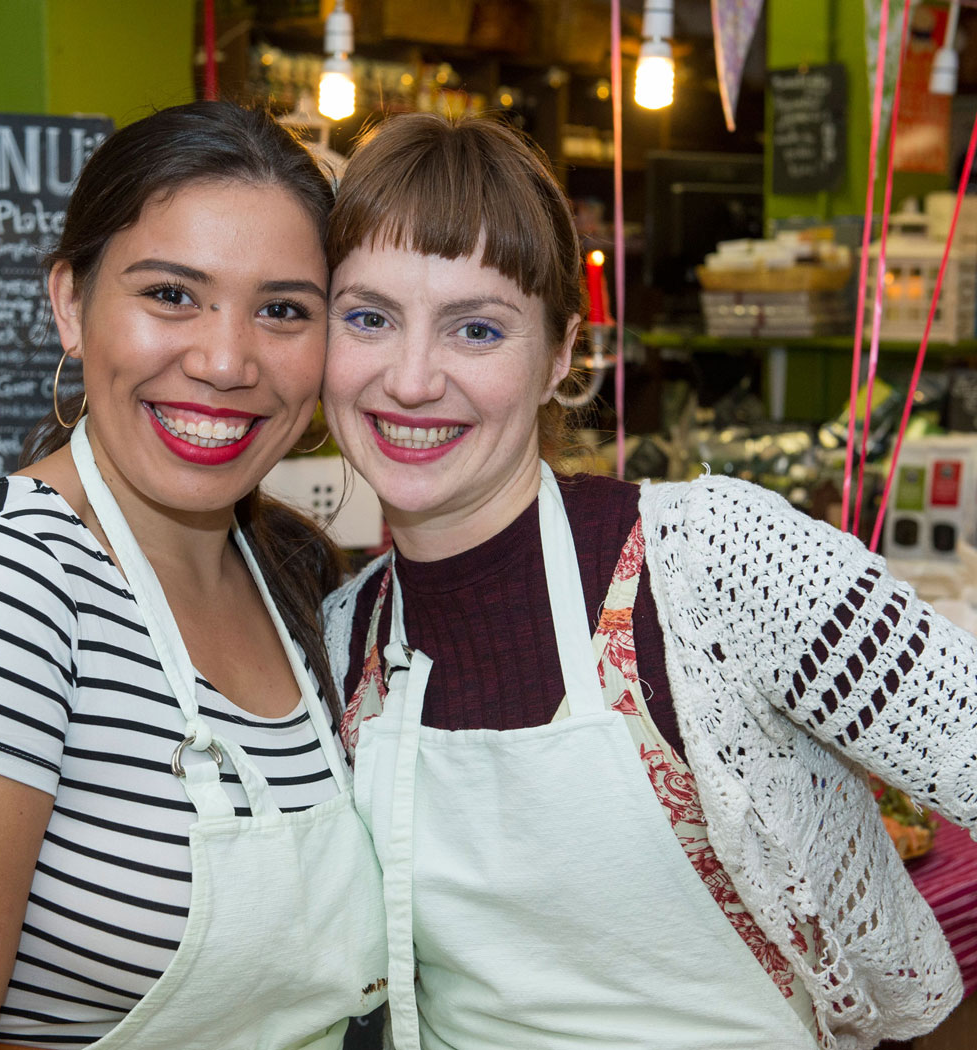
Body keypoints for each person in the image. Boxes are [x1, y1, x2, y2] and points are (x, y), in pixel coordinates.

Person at [320, 112, 977, 1050]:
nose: (413, 377)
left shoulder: (712, 565)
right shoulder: (343, 640)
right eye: (370, 317)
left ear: (559, 357)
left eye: (477, 327)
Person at [0, 101, 387, 1050]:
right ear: (70, 305)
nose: (224, 360)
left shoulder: (291, 571)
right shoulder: (0, 593)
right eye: (172, 294)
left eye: (284, 309)